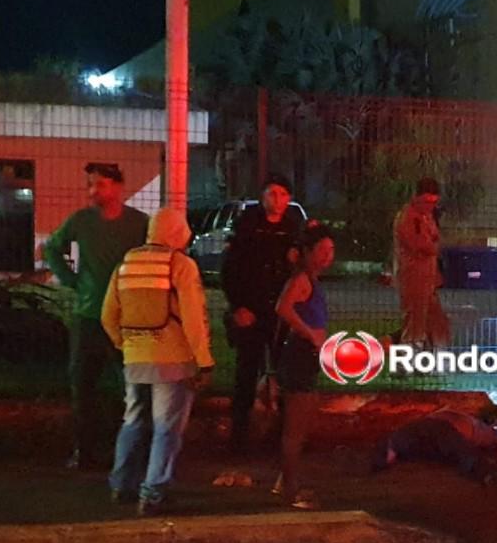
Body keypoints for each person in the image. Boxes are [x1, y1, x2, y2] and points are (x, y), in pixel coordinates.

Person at [101, 208, 214, 515]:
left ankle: (120, 485)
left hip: (134, 357)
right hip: (172, 359)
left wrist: (125, 345)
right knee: (167, 427)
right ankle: (153, 493)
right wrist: (204, 360)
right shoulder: (180, 265)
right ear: (177, 232)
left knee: (133, 419)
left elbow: (108, 315)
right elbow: (193, 318)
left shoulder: (127, 263)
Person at [43, 162, 148, 469]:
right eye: (91, 184)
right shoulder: (81, 220)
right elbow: (52, 248)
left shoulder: (139, 223)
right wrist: (71, 279)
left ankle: (126, 452)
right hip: (90, 313)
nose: (93, 191)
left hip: (125, 315)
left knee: (130, 384)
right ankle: (85, 450)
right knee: (82, 383)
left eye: (100, 184)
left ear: (117, 187)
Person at [221, 175, 303, 455]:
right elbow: (230, 271)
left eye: (282, 194)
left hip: (281, 313)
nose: (277, 199)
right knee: (246, 372)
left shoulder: (293, 228)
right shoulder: (247, 226)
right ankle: (239, 437)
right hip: (252, 312)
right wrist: (238, 307)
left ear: (289, 198)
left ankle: (282, 435)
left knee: (285, 373)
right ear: (263, 196)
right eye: (271, 193)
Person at [273, 220, 334, 509]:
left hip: (308, 356)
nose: (327, 256)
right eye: (321, 250)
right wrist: (309, 334)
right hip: (299, 356)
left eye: (331, 250)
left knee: (302, 421)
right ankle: (289, 489)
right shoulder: (302, 280)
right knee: (295, 428)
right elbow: (283, 308)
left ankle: (285, 481)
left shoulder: (313, 281)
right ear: (307, 252)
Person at [370, 409, 497, 483]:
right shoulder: (399, 441)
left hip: (438, 429)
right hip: (439, 429)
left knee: (462, 451)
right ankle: (485, 472)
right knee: (462, 452)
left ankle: (485, 472)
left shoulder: (400, 442)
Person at [393, 177, 450, 348]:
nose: (430, 206)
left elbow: (433, 243)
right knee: (415, 320)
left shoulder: (426, 216)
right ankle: (408, 359)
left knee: (436, 320)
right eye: (426, 201)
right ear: (416, 197)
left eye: (433, 202)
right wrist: (433, 246)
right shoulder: (409, 218)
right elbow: (422, 245)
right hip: (413, 277)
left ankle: (435, 354)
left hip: (427, 278)